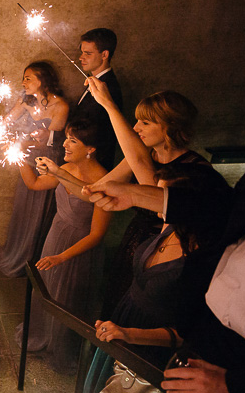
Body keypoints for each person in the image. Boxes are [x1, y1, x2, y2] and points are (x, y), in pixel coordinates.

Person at [83, 96, 245, 393]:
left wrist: (242, 388)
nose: (138, 129)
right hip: (202, 333)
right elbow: (234, 207)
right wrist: (136, 195)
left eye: (146, 122)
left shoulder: (196, 184)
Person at [82, 163, 231, 393]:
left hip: (151, 346)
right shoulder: (169, 225)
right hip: (123, 320)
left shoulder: (205, 258)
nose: (158, 205)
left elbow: (189, 334)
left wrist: (130, 334)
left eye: (163, 197)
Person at [85, 81, 208, 314]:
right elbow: (96, 188)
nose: (136, 127)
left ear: (170, 127)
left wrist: (109, 105)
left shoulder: (195, 170)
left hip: (165, 254)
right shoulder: (146, 154)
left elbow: (146, 179)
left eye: (145, 122)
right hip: (135, 241)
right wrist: (59, 173)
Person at [16, 118, 111, 372]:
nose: (65, 145)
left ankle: (63, 349)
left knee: (68, 298)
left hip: (79, 248)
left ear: (90, 149)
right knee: (47, 289)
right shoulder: (66, 166)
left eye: (73, 140)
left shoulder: (105, 181)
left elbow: (97, 234)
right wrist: (18, 158)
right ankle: (43, 335)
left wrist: (62, 257)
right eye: (66, 137)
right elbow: (35, 184)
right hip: (55, 235)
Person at [0, 61, 69, 276]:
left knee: (39, 212)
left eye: (28, 78)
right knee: (23, 208)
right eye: (23, 78)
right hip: (26, 160)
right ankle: (17, 253)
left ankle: (33, 260)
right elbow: (4, 124)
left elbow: (49, 142)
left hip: (46, 165)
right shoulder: (26, 100)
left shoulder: (61, 106)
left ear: (43, 80)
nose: (22, 82)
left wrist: (21, 144)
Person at [72, 28, 123, 170]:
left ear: (104, 54)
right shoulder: (94, 81)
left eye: (88, 53)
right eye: (82, 52)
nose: (81, 57)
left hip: (94, 165)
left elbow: (99, 132)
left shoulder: (108, 86)